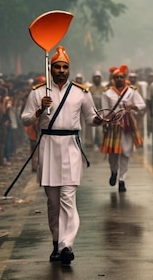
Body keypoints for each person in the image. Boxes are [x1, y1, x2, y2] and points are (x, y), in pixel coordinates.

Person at [21, 46, 104, 266]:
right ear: (50, 68)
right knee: (53, 203)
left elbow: (91, 118)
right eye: (57, 66)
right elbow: (26, 119)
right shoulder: (38, 92)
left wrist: (102, 120)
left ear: (69, 69)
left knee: (68, 198)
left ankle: (67, 245)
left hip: (70, 147)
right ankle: (57, 242)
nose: (61, 70)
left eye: (64, 67)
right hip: (48, 146)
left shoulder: (81, 92)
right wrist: (40, 110)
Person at [101, 65, 145, 192]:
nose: (119, 79)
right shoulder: (107, 93)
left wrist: (133, 106)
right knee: (113, 154)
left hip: (127, 125)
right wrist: (106, 123)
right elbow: (105, 113)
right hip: (113, 126)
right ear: (113, 79)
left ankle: (122, 179)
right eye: (117, 77)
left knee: (126, 152)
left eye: (121, 77)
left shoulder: (132, 91)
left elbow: (142, 105)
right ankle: (114, 171)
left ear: (125, 78)